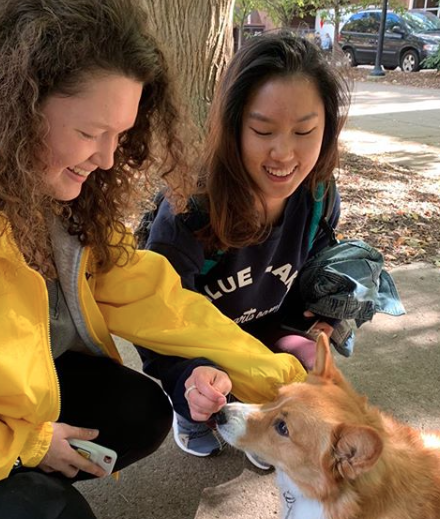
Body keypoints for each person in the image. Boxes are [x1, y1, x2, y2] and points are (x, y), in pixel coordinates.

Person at [0, 0, 308, 519]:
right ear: (7, 105)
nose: (104, 159)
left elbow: (154, 298)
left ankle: (1, 502)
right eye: (88, 132)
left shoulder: (50, 188)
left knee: (138, 413)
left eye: (119, 135)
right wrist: (23, 445)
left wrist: (286, 381)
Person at [139, 31, 350, 462]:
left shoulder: (318, 196)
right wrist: (187, 379)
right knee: (205, 393)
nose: (284, 153)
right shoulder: (190, 209)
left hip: (267, 330)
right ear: (233, 126)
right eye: (263, 130)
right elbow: (154, 316)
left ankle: (265, 418)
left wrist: (329, 322)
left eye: (305, 130)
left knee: (313, 359)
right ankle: (197, 412)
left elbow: (320, 274)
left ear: (327, 129)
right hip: (204, 346)